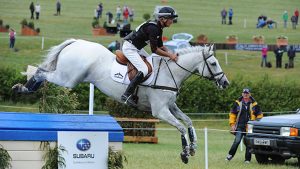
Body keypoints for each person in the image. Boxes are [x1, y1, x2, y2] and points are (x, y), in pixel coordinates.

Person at [121, 7, 178, 107]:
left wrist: (171, 53)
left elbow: (161, 46)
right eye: (171, 19)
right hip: (129, 48)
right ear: (163, 19)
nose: (172, 21)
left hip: (137, 48)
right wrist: (170, 55)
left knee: (151, 63)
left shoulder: (159, 28)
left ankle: (141, 92)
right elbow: (154, 50)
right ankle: (127, 94)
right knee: (144, 69)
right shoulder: (154, 28)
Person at [226, 88, 263, 163]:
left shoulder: (255, 104)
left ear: (250, 94)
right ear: (242, 94)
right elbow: (232, 114)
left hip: (250, 127)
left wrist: (256, 124)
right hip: (239, 126)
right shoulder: (237, 103)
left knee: (248, 144)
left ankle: (247, 160)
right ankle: (229, 155)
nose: (245, 94)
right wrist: (232, 124)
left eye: (247, 93)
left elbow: (260, 115)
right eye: (244, 93)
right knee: (237, 141)